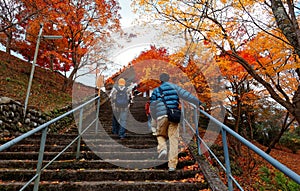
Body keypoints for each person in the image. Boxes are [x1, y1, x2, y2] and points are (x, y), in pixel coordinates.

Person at [150, 73, 204, 172]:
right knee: (173, 139)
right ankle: (172, 165)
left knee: (160, 134)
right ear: (168, 79)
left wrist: (154, 116)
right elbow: (186, 95)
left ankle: (163, 149)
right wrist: (198, 103)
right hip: (173, 115)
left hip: (161, 116)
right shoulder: (175, 87)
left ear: (160, 81)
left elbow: (152, 105)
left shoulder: (156, 90)